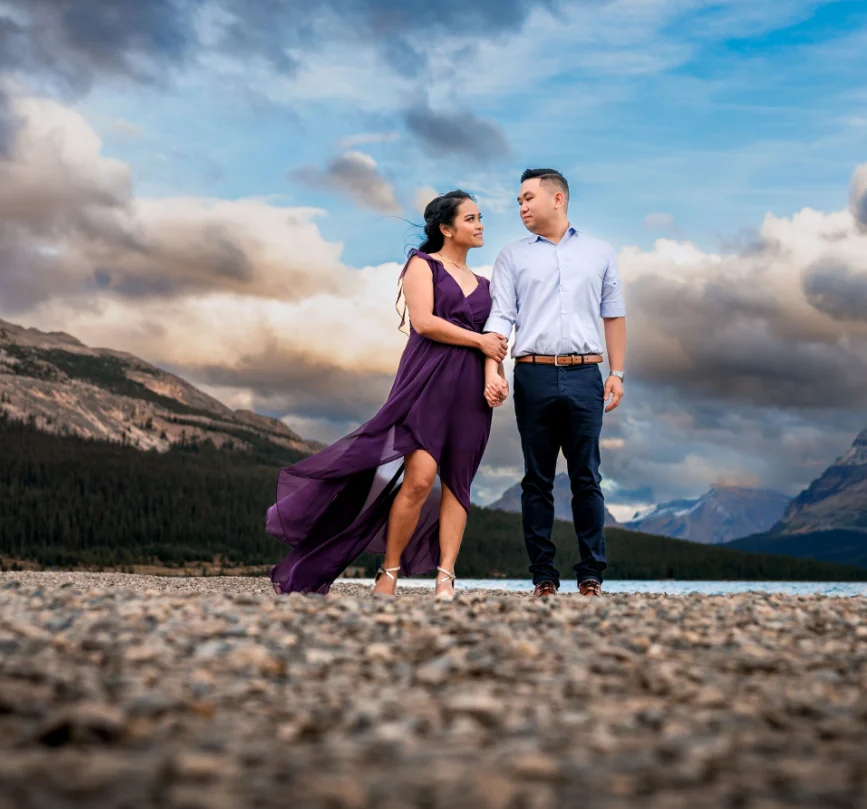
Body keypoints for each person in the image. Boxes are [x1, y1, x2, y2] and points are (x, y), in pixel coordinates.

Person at [266, 191, 508, 599]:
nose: (480, 224)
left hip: (470, 393)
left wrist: (495, 377)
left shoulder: (487, 286)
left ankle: (446, 578)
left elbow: (496, 339)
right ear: (446, 229)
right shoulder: (422, 264)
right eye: (471, 218)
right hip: (426, 385)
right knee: (418, 480)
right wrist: (480, 343)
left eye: (480, 217)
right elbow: (425, 322)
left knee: (458, 485)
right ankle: (389, 572)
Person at [483, 168, 627, 598]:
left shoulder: (600, 253)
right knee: (536, 480)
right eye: (519, 201)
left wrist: (617, 373)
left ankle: (591, 577)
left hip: (587, 374)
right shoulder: (512, 256)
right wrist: (493, 368)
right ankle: (543, 577)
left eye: (528, 198)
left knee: (587, 477)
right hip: (532, 373)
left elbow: (614, 314)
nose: (521, 207)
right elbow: (501, 316)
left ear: (557, 199)